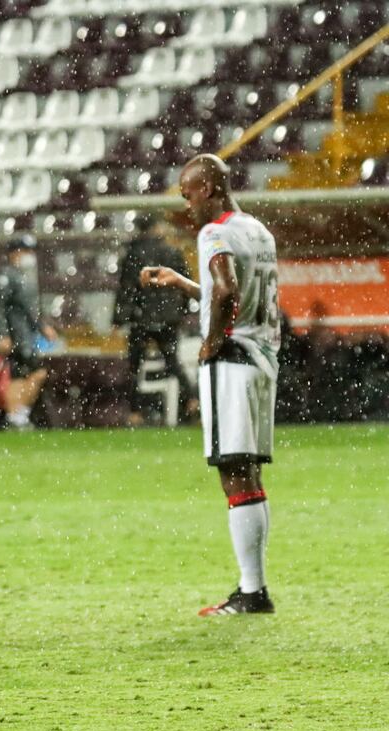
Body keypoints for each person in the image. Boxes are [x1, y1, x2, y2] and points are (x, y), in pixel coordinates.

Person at [141, 154, 280, 617]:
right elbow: (242, 292)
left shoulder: (214, 232)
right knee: (249, 472)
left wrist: (211, 343)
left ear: (210, 189)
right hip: (261, 360)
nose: (186, 204)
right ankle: (253, 588)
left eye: (188, 193)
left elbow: (226, 291)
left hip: (232, 361)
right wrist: (185, 284)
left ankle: (252, 591)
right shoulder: (257, 230)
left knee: (232, 472)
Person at [113, 215, 193, 426]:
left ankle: (135, 411)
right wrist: (180, 312)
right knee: (172, 360)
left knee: (135, 365)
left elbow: (127, 289)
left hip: (142, 317)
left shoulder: (133, 254)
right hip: (168, 317)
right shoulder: (173, 252)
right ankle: (191, 399)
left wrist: (119, 318)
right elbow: (184, 284)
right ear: (158, 228)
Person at [0, 234, 58, 429]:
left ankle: (17, 416)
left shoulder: (23, 276)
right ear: (15, 253)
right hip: (17, 336)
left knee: (21, 375)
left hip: (26, 336)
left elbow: (30, 309)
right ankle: (16, 415)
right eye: (26, 251)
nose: (30, 255)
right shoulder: (7, 276)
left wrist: (42, 327)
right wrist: (2, 335)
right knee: (31, 373)